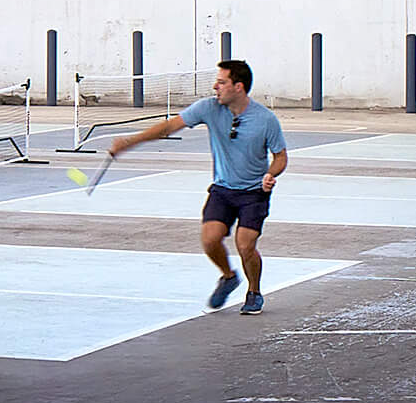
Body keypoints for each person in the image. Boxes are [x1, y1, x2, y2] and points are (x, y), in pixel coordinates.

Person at [104, 58, 289, 316]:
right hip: (223, 189)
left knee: (246, 245)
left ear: (239, 87)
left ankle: (254, 292)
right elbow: (169, 126)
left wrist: (270, 174)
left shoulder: (265, 119)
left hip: (254, 193)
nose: (215, 87)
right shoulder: (209, 108)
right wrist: (130, 141)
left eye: (222, 82)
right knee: (209, 239)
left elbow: (280, 156)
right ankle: (228, 276)